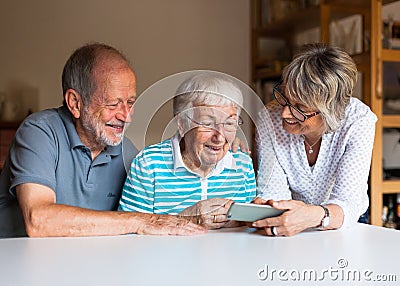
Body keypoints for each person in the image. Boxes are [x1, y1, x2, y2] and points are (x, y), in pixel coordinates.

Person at [0, 43, 206, 238]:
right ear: (75, 103)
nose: (126, 116)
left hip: (86, 264)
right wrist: (137, 221)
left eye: (130, 102)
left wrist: (221, 149)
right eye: (113, 104)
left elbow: (162, 205)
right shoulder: (39, 131)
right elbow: (38, 220)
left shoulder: (126, 150)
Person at [254, 43, 377, 237]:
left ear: (330, 111)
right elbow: (273, 192)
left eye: (300, 108)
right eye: (285, 98)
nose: (285, 113)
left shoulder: (359, 120)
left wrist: (312, 216)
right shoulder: (269, 117)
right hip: (288, 220)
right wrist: (273, 207)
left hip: (343, 223)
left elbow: (348, 201)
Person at [119, 72, 257, 229]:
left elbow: (251, 229)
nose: (219, 136)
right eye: (207, 123)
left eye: (229, 123)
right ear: (181, 123)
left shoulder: (242, 163)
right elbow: (128, 231)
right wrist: (184, 219)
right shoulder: (148, 165)